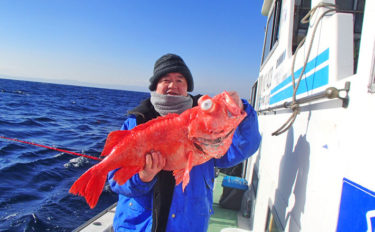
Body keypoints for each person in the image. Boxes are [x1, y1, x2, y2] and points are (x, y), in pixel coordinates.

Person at [108, 53, 261, 232]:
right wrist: (143, 177)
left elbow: (244, 147)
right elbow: (116, 180)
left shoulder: (206, 124)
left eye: (180, 80)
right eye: (166, 79)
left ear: (187, 87)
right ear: (155, 86)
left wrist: (242, 111)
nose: (173, 85)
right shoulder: (135, 124)